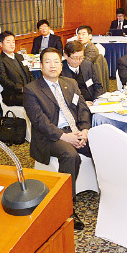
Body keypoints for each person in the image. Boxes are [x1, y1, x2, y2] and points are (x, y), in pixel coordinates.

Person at [23, 47, 92, 231]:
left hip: (75, 130)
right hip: (50, 136)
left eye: (56, 61)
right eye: (48, 62)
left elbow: (83, 109)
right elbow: (40, 122)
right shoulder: (32, 90)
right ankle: (66, 207)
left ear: (61, 65)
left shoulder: (70, 83)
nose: (52, 65)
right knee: (70, 155)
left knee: (102, 146)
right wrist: (65, 137)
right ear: (40, 65)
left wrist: (84, 130)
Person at [0, 31, 35, 106]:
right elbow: (4, 80)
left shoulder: (19, 56)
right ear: (1, 44)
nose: (12, 44)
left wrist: (31, 87)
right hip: (13, 95)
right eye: (8, 42)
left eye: (13, 42)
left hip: (27, 91)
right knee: (35, 99)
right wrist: (21, 89)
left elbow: (29, 73)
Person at [61, 41, 103, 106]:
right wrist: (82, 104)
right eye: (74, 58)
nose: (78, 61)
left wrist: (96, 100)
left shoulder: (87, 65)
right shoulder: (60, 71)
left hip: (93, 103)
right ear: (65, 56)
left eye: (81, 57)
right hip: (74, 106)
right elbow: (63, 96)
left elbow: (98, 86)